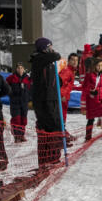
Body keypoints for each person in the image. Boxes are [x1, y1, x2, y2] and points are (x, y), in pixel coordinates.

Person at [30, 37, 64, 167]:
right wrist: (52, 53)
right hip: (44, 100)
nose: (51, 48)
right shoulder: (39, 59)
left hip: (52, 98)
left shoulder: (48, 62)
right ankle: (47, 158)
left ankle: (53, 157)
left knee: (54, 126)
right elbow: (57, 55)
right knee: (48, 128)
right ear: (44, 48)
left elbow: (57, 82)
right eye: (49, 46)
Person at [6, 63, 32, 142]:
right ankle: (16, 136)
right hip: (15, 103)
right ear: (16, 69)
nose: (20, 70)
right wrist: (11, 94)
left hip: (24, 103)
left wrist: (29, 99)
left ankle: (21, 135)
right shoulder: (11, 78)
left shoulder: (28, 79)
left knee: (23, 120)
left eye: (21, 68)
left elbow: (32, 90)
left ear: (24, 69)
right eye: (18, 68)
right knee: (16, 119)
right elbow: (5, 87)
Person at [59, 54, 77, 123]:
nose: (75, 62)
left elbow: (69, 85)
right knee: (62, 113)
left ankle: (62, 129)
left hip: (65, 95)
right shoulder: (67, 71)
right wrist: (62, 95)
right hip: (63, 97)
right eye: (73, 60)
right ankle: (61, 130)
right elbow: (61, 83)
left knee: (63, 113)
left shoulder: (71, 71)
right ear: (69, 61)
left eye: (76, 60)